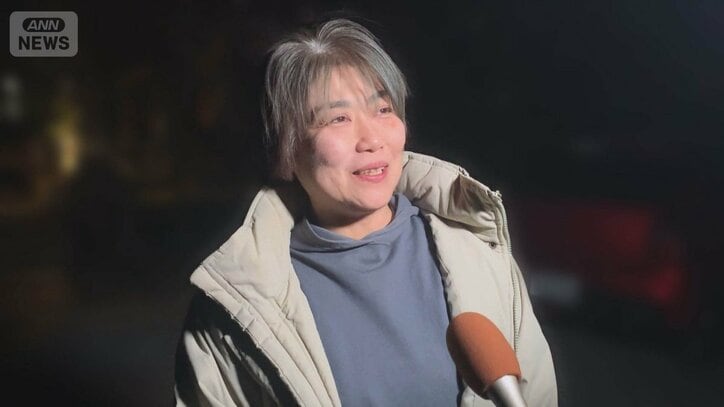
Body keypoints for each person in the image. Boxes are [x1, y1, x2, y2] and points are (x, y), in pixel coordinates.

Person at [174, 18, 557, 406]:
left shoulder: (476, 250)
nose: (372, 139)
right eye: (338, 118)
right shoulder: (238, 301)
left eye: (383, 109)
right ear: (286, 147)